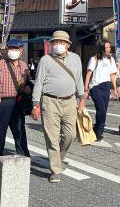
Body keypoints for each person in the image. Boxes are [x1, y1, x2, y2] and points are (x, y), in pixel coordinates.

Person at [31, 31, 86, 183]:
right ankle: (56, 169)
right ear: (51, 44)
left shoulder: (75, 59)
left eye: (62, 43)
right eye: (55, 43)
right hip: (49, 101)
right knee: (52, 137)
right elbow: (39, 82)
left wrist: (82, 98)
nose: (58, 45)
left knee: (70, 135)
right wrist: (35, 104)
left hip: (70, 101)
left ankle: (58, 158)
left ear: (68, 45)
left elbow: (79, 79)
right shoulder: (45, 60)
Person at [0, 39, 31, 165]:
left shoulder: (24, 66)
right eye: (11, 48)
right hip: (2, 101)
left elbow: (27, 82)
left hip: (18, 101)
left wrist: (28, 88)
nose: (13, 51)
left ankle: (24, 157)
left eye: (16, 49)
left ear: (22, 51)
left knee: (20, 130)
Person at [84, 40, 118, 141]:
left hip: (106, 86)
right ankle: (97, 132)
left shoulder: (111, 59)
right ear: (101, 48)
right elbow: (88, 74)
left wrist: (115, 89)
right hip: (95, 87)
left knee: (104, 111)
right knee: (101, 109)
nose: (109, 49)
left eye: (109, 47)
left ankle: (98, 130)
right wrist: (86, 89)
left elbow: (112, 75)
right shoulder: (94, 59)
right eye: (106, 47)